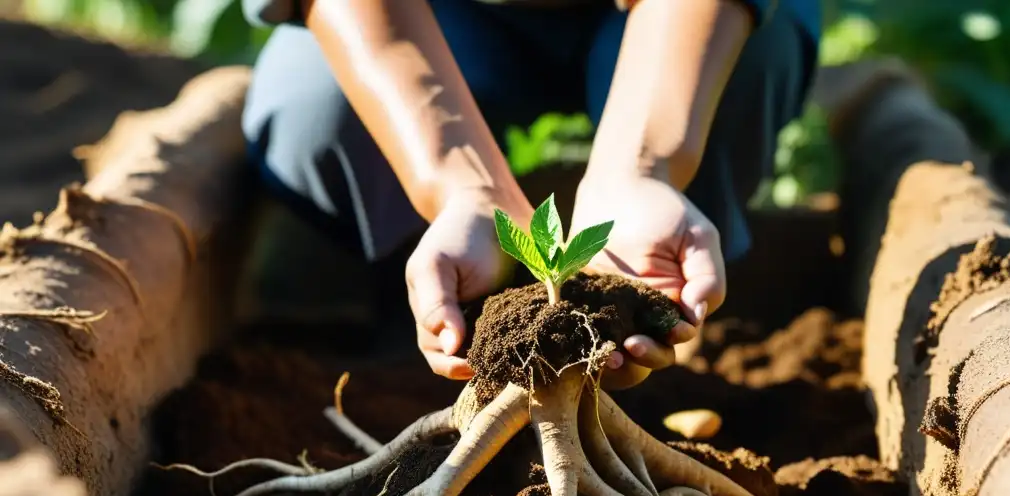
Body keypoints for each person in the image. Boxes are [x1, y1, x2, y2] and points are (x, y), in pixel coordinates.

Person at [240, 0, 820, 387]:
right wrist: (462, 189)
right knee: (313, 108)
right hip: (445, 17)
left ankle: (663, 329)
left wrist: (642, 170)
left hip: (665, 21)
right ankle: (430, 305)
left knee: (754, 60)